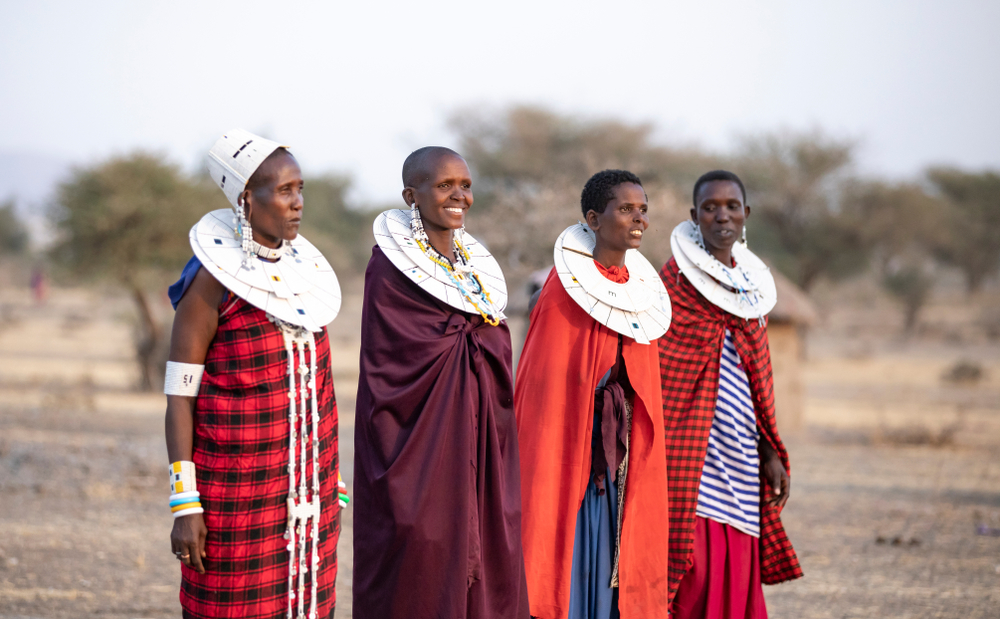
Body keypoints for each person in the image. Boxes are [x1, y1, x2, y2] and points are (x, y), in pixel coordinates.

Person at [165, 129, 345, 619]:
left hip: (308, 502)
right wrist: (185, 504)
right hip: (234, 501)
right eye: (284, 191)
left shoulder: (306, 282)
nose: (297, 203)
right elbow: (180, 397)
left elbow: (320, 393)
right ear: (248, 197)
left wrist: (334, 486)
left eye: (300, 189)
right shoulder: (209, 282)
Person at [353, 147, 530, 619]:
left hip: (480, 438)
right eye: (444, 185)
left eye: (466, 185)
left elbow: (492, 347)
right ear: (411, 195)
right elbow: (393, 362)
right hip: (418, 441)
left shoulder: (474, 273)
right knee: (426, 549)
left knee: (492, 545)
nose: (459, 196)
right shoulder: (388, 268)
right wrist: (464, 340)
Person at [516, 170, 672, 619]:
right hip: (569, 451)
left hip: (619, 461)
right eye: (625, 209)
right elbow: (549, 387)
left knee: (615, 554)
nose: (638, 219)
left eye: (643, 209)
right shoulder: (562, 290)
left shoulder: (642, 296)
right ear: (594, 218)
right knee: (565, 550)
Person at [658, 170, 803, 618]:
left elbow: (758, 380)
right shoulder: (673, 285)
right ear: (693, 216)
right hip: (687, 451)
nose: (722, 215)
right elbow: (663, 373)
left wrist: (770, 450)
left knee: (737, 555)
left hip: (741, 451)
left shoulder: (754, 292)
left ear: (746, 215)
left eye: (731, 206)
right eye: (710, 207)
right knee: (691, 564)